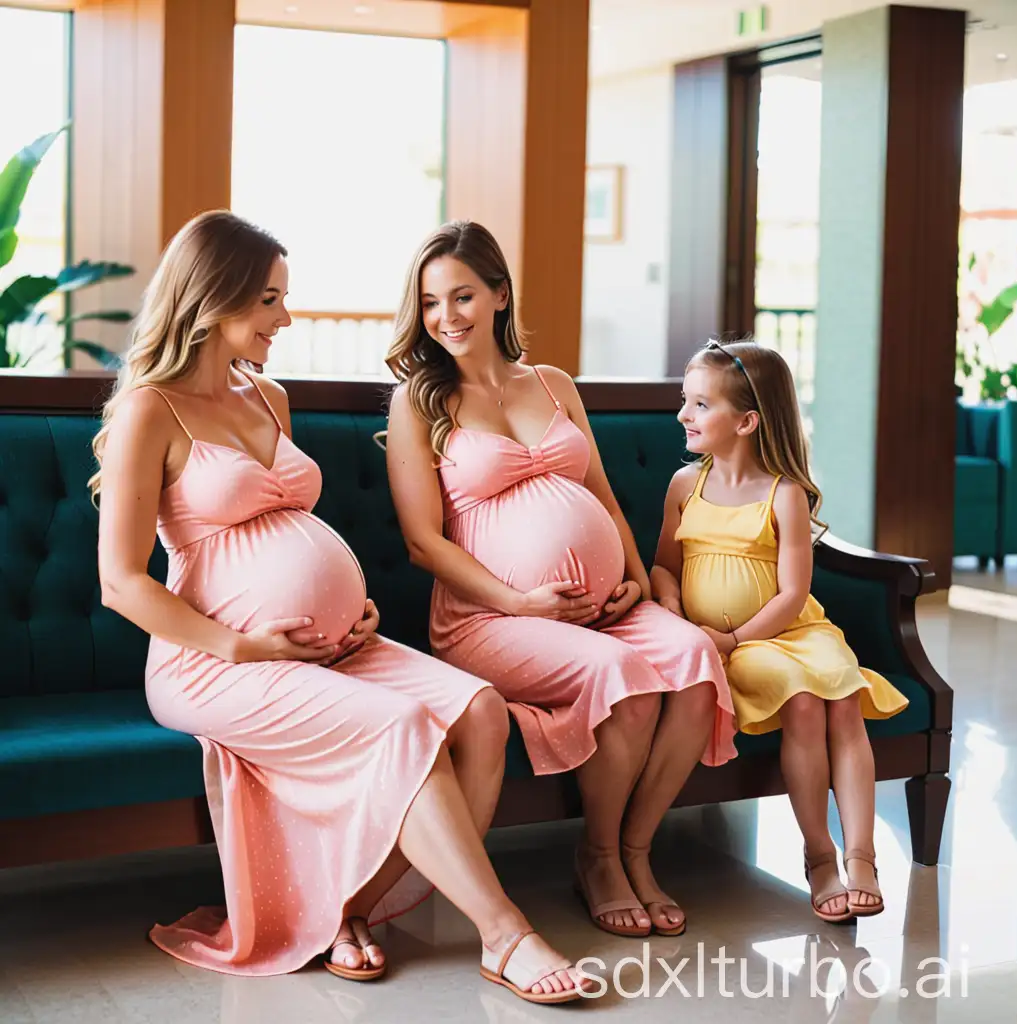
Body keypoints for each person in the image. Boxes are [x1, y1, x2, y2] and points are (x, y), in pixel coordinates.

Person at [92, 210, 591, 1004]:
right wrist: (241, 646)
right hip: (215, 661)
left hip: (330, 644)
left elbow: (295, 526)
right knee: (404, 726)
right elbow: (122, 582)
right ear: (212, 297)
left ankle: (345, 908)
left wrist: (350, 609)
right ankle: (504, 933)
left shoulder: (268, 397)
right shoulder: (152, 410)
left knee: (483, 714)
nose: (283, 318)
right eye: (268, 300)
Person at [384, 220, 737, 940]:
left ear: (500, 295)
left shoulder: (553, 384)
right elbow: (423, 543)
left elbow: (603, 497)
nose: (445, 317)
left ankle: (634, 850)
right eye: (429, 303)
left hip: (605, 608)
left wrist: (636, 582)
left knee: (697, 660)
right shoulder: (420, 401)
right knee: (625, 680)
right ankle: (600, 858)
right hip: (493, 620)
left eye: (462, 297)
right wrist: (519, 601)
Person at [651, 339, 908, 923]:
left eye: (699, 405)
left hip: (789, 631)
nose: (683, 416)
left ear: (745, 421)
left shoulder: (784, 493)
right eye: (685, 402)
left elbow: (794, 594)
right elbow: (664, 564)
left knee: (840, 700)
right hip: (730, 646)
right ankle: (820, 857)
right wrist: (671, 606)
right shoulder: (682, 485)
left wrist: (736, 638)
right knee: (801, 700)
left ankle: (862, 856)